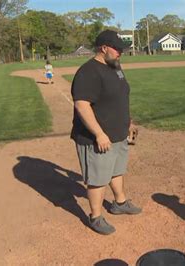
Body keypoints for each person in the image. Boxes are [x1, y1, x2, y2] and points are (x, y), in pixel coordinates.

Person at [70, 29, 142, 235]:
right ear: (103, 48)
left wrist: (128, 122)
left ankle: (119, 203)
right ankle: (95, 216)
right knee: (98, 178)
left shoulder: (116, 67)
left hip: (118, 133)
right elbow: (82, 105)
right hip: (96, 138)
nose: (121, 52)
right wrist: (99, 134)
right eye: (117, 49)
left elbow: (120, 96)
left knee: (116, 170)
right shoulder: (88, 72)